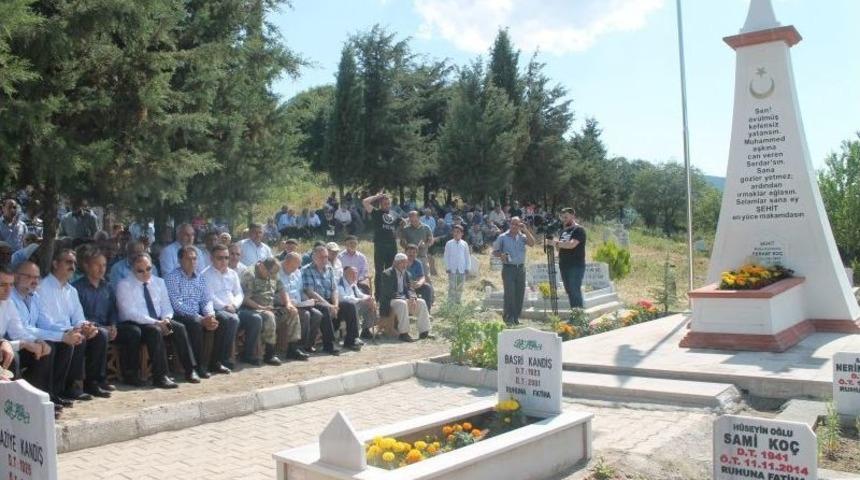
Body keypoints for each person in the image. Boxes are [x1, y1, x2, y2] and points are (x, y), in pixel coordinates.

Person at [36, 248, 108, 400]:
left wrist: (86, 326)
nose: (72, 266)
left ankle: (92, 383)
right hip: (49, 333)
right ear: (55, 264)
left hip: (68, 331)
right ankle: (66, 388)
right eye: (68, 262)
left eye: (74, 263)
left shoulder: (71, 290)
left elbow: (78, 317)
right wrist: (73, 330)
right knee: (76, 338)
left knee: (100, 334)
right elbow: (44, 322)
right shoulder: (42, 287)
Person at [116, 252, 195, 387]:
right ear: (132, 269)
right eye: (140, 271)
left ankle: (190, 369)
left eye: (148, 269)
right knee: (154, 331)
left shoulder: (159, 282)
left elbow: (166, 306)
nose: (145, 273)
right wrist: (156, 323)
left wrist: (166, 319)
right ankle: (161, 376)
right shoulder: (124, 285)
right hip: (137, 323)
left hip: (159, 320)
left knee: (178, 328)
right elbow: (129, 313)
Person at [165, 246, 238, 377]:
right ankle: (196, 367)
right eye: (188, 259)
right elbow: (177, 305)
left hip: (198, 314)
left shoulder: (199, 277)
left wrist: (210, 315)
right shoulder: (172, 277)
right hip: (179, 315)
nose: (192, 262)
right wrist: (201, 318)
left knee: (221, 320)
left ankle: (216, 361)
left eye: (194, 259)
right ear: (180, 261)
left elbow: (206, 300)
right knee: (195, 323)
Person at [4, 264, 57, 412]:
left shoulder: (7, 303)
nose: (8, 289)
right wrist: (23, 344)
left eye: (10, 285)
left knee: (44, 350)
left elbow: (18, 331)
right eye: (2, 285)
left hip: (9, 346)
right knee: (13, 356)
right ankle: (13, 406)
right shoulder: (12, 299)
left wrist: (37, 342)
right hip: (8, 349)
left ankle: (36, 402)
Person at [203, 243, 259, 367]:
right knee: (232, 320)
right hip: (216, 310)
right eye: (220, 258)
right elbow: (209, 296)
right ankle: (222, 359)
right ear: (211, 258)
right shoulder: (205, 274)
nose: (224, 261)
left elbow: (239, 293)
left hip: (234, 308)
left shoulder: (232, 274)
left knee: (255, 318)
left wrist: (234, 305)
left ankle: (247, 354)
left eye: (226, 257)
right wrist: (225, 307)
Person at [71, 251, 118, 396]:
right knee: (100, 335)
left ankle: (131, 373)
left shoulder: (107, 286)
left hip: (107, 326)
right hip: (86, 328)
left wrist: (113, 325)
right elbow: (78, 316)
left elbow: (113, 310)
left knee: (133, 332)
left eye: (104, 265)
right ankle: (93, 382)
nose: (101, 268)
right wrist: (101, 327)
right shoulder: (77, 288)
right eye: (97, 265)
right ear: (86, 266)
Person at [301, 245, 357, 354]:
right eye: (321, 257)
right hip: (315, 301)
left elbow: (334, 289)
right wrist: (329, 305)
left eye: (326, 257)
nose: (324, 259)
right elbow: (310, 292)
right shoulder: (306, 270)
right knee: (325, 309)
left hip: (330, 301)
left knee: (349, 306)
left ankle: (351, 340)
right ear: (314, 257)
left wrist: (335, 305)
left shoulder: (329, 269)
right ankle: (329, 344)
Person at [239, 259, 289, 365]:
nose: (272, 276)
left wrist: (288, 304)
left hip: (270, 306)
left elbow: (281, 289)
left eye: (274, 274)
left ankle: (293, 348)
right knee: (270, 317)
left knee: (291, 312)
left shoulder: (273, 272)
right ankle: (269, 354)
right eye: (270, 273)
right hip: (252, 308)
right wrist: (262, 307)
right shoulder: (250, 275)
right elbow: (245, 299)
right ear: (262, 266)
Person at [378, 253, 433, 342]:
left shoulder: (407, 274)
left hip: (403, 299)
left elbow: (410, 289)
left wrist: (413, 298)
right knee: (402, 303)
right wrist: (404, 298)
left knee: (421, 302)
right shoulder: (387, 274)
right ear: (395, 263)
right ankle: (404, 333)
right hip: (390, 300)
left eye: (405, 262)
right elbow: (389, 292)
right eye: (402, 262)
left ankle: (424, 332)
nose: (404, 265)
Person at [492, 217, 536, 325]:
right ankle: (508, 317)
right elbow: (495, 251)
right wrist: (501, 255)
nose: (514, 226)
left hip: (520, 268)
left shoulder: (522, 237)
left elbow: (532, 243)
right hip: (508, 269)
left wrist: (526, 230)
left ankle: (516, 318)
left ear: (520, 225)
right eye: (512, 224)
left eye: (517, 224)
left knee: (519, 293)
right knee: (509, 293)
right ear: (509, 224)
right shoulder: (502, 237)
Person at [279, 252, 321, 354]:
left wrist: (308, 301)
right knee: (305, 315)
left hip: (299, 303)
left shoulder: (297, 272)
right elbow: (277, 293)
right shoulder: (277, 272)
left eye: (298, 266)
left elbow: (300, 290)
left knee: (317, 314)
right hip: (283, 304)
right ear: (287, 262)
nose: (296, 269)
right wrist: (289, 303)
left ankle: (308, 345)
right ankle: (297, 347)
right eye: (295, 266)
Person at [363, 192, 401, 297]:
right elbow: (365, 202)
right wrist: (377, 197)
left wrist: (400, 233)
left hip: (392, 245)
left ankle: (389, 294)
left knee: (391, 270)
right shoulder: (376, 212)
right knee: (379, 271)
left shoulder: (394, 214)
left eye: (388, 203)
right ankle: (378, 296)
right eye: (384, 203)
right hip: (380, 245)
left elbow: (403, 223)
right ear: (380, 204)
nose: (387, 205)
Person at [555, 207, 587, 309]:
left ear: (573, 216)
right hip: (564, 265)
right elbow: (560, 248)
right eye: (562, 217)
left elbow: (571, 245)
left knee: (574, 290)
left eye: (566, 217)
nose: (564, 219)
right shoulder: (564, 231)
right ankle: (574, 312)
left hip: (575, 266)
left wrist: (556, 243)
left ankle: (578, 315)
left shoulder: (579, 230)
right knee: (569, 290)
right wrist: (557, 245)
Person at [338, 266, 378, 340]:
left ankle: (365, 330)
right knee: (353, 307)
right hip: (344, 308)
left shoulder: (353, 283)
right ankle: (355, 334)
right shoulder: (340, 284)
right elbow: (343, 299)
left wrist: (369, 298)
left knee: (371, 304)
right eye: (352, 273)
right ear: (345, 273)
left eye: (356, 274)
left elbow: (360, 294)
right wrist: (360, 300)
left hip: (355, 304)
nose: (355, 276)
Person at [444, 225, 470, 304]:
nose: (456, 233)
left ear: (462, 233)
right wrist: (447, 267)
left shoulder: (464, 244)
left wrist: (467, 267)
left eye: (458, 232)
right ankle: (450, 302)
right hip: (452, 268)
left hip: (461, 268)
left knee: (460, 286)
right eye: (454, 232)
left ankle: (458, 301)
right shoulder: (449, 243)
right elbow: (446, 256)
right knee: (452, 286)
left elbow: (467, 256)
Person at [405, 244, 433, 311]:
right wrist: (409, 283)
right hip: (404, 286)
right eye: (409, 252)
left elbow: (422, 277)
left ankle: (427, 311)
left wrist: (419, 283)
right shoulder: (401, 262)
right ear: (405, 252)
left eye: (414, 252)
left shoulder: (418, 263)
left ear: (416, 254)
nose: (411, 254)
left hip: (415, 286)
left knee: (427, 287)